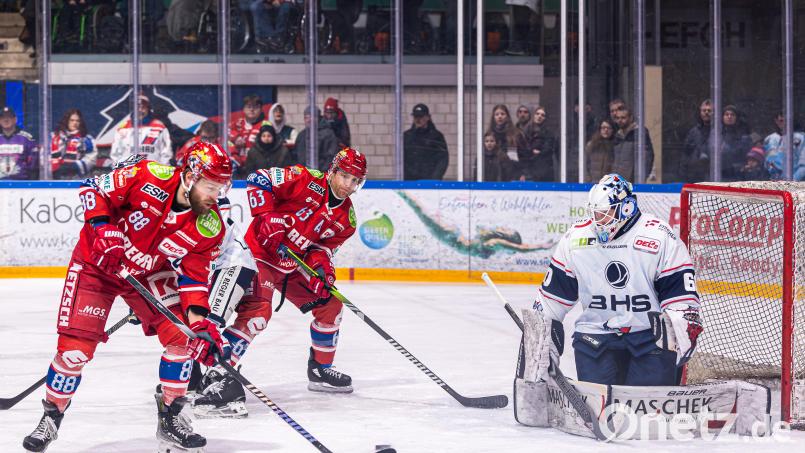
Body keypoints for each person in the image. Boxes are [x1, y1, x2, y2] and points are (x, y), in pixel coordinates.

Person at [21, 143, 233, 452]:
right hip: (97, 265)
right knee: (74, 352)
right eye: (211, 186)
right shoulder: (149, 176)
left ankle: (173, 418)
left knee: (184, 337)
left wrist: (199, 324)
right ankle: (51, 417)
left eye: (221, 187)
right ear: (189, 176)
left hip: (147, 275)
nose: (217, 194)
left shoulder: (209, 225)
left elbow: (194, 276)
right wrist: (103, 228)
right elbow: (93, 188)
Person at [192, 148, 367, 408]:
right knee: (258, 313)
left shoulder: (347, 219)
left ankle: (320, 369)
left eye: (355, 181)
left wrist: (321, 271)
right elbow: (259, 179)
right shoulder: (304, 178)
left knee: (331, 304)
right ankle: (219, 371)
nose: (348, 186)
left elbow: (323, 249)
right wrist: (266, 215)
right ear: (333, 171)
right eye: (345, 177)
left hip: (293, 264)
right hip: (259, 254)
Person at [534, 173, 703, 387]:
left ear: (626, 208)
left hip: (649, 338)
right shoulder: (575, 240)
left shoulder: (659, 236)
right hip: (595, 337)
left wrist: (680, 327)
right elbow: (550, 301)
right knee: (599, 410)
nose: (598, 221)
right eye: (595, 214)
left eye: (605, 214)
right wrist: (540, 346)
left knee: (646, 411)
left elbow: (680, 297)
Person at [109, 93, 172, 166]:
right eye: (137, 107)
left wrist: (163, 172)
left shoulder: (159, 127)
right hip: (129, 173)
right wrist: (119, 170)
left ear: (148, 108)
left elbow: (166, 153)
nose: (140, 110)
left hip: (152, 173)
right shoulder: (123, 128)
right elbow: (115, 154)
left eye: (143, 107)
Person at [403, 103, 449, 180]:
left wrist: (435, 178)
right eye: (415, 117)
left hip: (430, 181)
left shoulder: (436, 136)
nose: (418, 119)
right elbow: (402, 158)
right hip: (410, 181)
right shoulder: (407, 136)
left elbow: (443, 159)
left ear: (428, 117)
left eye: (421, 117)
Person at [50, 109, 97, 180]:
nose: (75, 123)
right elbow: (43, 156)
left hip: (77, 178)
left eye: (77, 121)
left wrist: (76, 166)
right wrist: (54, 166)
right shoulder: (54, 137)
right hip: (53, 178)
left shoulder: (86, 139)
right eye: (72, 120)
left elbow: (91, 158)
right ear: (66, 121)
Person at [611, 106, 654, 182]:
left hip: (633, 182)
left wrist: (641, 178)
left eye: (623, 118)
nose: (620, 120)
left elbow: (647, 157)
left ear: (630, 118)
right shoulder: (617, 135)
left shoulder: (639, 133)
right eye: (617, 118)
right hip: (618, 181)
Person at [762, 112, 805, 181]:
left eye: (783, 120)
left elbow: (803, 166)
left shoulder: (801, 138)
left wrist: (792, 181)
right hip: (776, 183)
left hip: (795, 185)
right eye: (777, 120)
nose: (780, 122)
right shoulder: (771, 139)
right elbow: (768, 164)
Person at [295, 106, 341, 170]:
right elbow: (295, 155)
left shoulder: (328, 134)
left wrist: (319, 173)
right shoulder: (302, 135)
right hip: (303, 175)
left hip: (320, 175)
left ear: (317, 118)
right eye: (306, 117)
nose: (308, 120)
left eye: (311, 117)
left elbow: (331, 157)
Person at [229, 94, 268, 169]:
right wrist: (235, 137)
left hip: (257, 165)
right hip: (237, 165)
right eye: (249, 107)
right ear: (243, 109)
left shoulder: (266, 124)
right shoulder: (237, 123)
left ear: (261, 109)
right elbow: (224, 134)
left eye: (255, 107)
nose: (252, 110)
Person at [0, 106, 38, 180]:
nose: (6, 120)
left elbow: (34, 165)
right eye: (2, 117)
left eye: (9, 117)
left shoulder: (27, 138)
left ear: (15, 120)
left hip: (21, 185)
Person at [519, 106, 555, 181]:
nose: (539, 116)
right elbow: (522, 149)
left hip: (543, 169)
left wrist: (538, 152)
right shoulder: (525, 131)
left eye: (542, 115)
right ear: (534, 115)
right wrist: (531, 151)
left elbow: (547, 149)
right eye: (537, 113)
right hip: (528, 169)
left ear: (545, 118)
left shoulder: (549, 132)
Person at [681, 99, 713, 183]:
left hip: (713, 176)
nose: (706, 112)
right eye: (704, 110)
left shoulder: (719, 131)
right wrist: (684, 174)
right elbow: (686, 154)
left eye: (709, 110)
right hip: (694, 177)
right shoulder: (693, 132)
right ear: (700, 112)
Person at [487, 104, 527, 169]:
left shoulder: (516, 134)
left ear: (507, 116)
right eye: (497, 114)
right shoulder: (489, 135)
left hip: (512, 170)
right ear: (493, 117)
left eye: (502, 114)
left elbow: (524, 155)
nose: (500, 116)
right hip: (494, 172)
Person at [720, 105, 752, 181]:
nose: (729, 117)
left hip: (737, 176)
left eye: (732, 115)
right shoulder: (716, 134)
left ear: (736, 117)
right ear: (722, 117)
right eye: (726, 114)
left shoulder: (744, 136)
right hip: (719, 175)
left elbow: (746, 157)